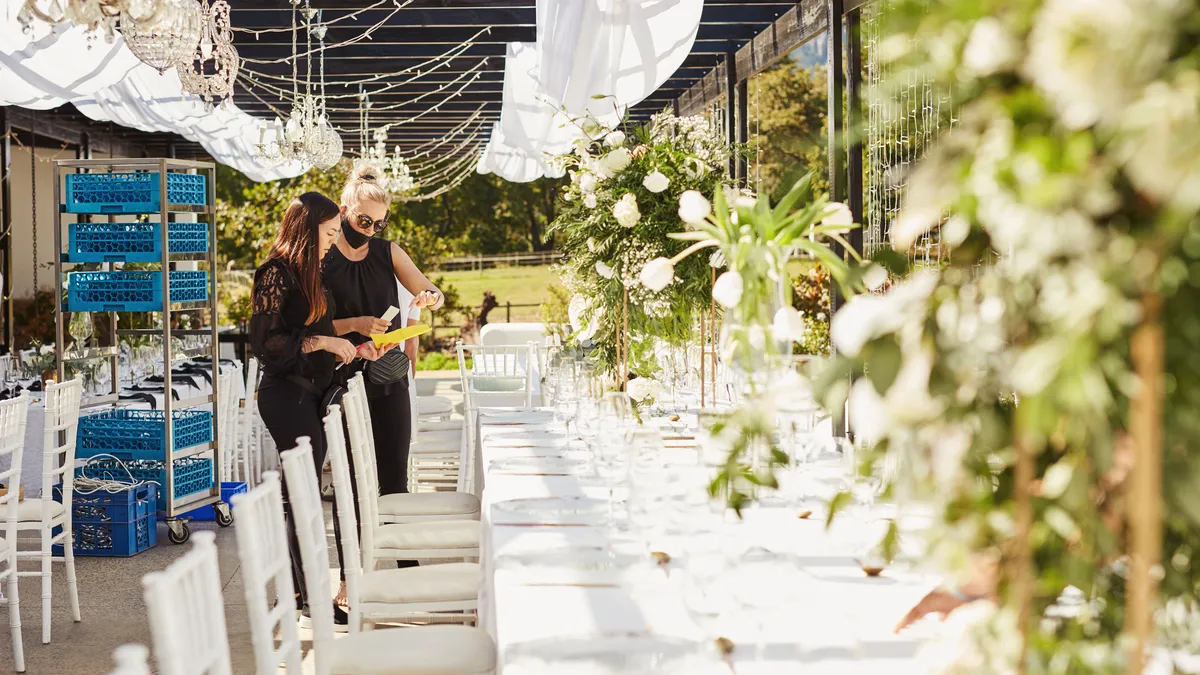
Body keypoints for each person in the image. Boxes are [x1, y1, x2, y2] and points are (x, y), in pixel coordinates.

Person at [249, 191, 389, 628]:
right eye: (328, 233)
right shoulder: (274, 273)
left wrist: (353, 347)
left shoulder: (311, 273)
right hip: (285, 395)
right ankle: (311, 594)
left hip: (312, 391)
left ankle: (298, 592)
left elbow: (319, 331)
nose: (333, 241)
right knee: (304, 496)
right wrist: (327, 341)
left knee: (304, 496)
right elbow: (268, 344)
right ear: (306, 230)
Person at [323, 165, 443, 601]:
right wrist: (356, 324)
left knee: (394, 480)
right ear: (344, 211)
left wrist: (429, 296)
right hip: (339, 380)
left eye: (379, 222)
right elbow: (312, 324)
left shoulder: (388, 252)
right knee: (351, 482)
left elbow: (428, 289)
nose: (370, 230)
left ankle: (406, 573)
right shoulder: (323, 255)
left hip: (387, 376)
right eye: (363, 221)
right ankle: (348, 580)